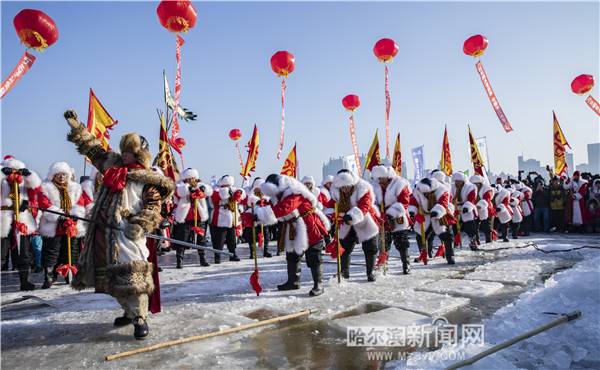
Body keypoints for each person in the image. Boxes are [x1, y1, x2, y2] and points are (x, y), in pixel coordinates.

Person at [64, 109, 174, 339]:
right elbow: (94, 151)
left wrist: (140, 224)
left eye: (130, 152)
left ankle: (140, 317)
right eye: (123, 151)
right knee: (110, 277)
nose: (124, 155)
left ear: (140, 154)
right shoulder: (113, 168)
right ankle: (128, 311)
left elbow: (153, 206)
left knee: (133, 276)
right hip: (105, 234)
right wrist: (78, 129)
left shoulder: (146, 180)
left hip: (129, 234)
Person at [255, 174, 330, 296]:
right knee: (292, 255)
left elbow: (285, 208)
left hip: (309, 224)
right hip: (293, 225)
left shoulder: (295, 192)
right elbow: (273, 207)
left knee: (314, 255)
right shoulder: (277, 195)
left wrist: (260, 215)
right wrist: (257, 211)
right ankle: (293, 281)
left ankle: (319, 284)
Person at [37, 162, 92, 288]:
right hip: (53, 226)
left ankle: (70, 274)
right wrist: (61, 215)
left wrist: (74, 215)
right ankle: (50, 276)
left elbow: (81, 202)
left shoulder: (76, 188)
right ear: (53, 175)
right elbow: (44, 204)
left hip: (71, 226)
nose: (62, 177)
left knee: (71, 252)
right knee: (51, 252)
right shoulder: (46, 188)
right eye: (58, 174)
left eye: (64, 175)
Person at [330, 169, 380, 281]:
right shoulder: (335, 191)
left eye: (347, 186)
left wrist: (352, 216)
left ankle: (371, 271)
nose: (345, 189)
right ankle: (344, 272)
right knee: (344, 248)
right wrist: (330, 216)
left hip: (365, 219)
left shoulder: (363, 188)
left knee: (370, 247)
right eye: (342, 187)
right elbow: (331, 205)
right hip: (346, 223)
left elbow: (365, 205)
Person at [0, 157, 42, 290]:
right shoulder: (3, 181)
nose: (15, 173)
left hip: (22, 218)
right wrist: (2, 173)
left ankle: (25, 281)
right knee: (1, 253)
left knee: (24, 252)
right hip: (4, 217)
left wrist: (29, 175)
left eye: (17, 171)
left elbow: (36, 189)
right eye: (12, 170)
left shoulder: (25, 182)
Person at [370, 165, 412, 274]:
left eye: (382, 177)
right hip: (381, 219)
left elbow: (404, 203)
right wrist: (376, 213)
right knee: (383, 243)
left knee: (401, 243)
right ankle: (383, 264)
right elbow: (371, 202)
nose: (380, 180)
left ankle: (406, 263)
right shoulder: (374, 186)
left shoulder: (399, 184)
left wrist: (390, 214)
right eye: (378, 178)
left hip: (398, 218)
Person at [408, 177, 456, 264]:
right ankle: (423, 254)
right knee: (420, 236)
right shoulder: (417, 191)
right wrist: (412, 211)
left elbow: (443, 203)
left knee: (447, 236)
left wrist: (437, 211)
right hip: (425, 215)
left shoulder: (442, 190)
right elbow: (413, 201)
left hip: (441, 214)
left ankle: (450, 255)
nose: (425, 194)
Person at [173, 168, 213, 268]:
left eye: (194, 178)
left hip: (199, 217)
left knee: (201, 239)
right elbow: (178, 192)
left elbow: (209, 191)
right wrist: (188, 189)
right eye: (190, 178)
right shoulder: (181, 186)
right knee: (182, 239)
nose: (192, 180)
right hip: (185, 217)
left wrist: (202, 189)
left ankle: (202, 259)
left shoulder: (200, 185)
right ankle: (179, 260)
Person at [210, 175, 245, 263]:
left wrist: (239, 192)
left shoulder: (234, 189)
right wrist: (230, 192)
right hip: (221, 217)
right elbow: (216, 197)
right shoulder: (216, 190)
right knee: (219, 239)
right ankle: (217, 256)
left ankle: (232, 254)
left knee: (232, 239)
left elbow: (243, 196)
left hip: (232, 217)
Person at [241, 178, 272, 258]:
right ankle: (253, 252)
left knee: (266, 236)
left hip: (263, 219)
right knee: (251, 237)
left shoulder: (266, 196)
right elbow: (245, 201)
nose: (259, 190)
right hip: (252, 219)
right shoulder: (250, 196)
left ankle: (266, 251)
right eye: (258, 188)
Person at [451, 172, 479, 250]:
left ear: (463, 181)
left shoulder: (470, 187)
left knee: (470, 227)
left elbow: (471, 199)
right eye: (456, 181)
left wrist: (467, 207)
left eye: (459, 181)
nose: (457, 183)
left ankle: (473, 242)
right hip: (455, 208)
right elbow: (450, 197)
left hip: (467, 209)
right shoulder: (452, 187)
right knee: (455, 227)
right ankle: (456, 243)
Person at [471, 175, 496, 244]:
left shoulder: (487, 189)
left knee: (487, 228)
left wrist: (479, 205)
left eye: (477, 183)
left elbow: (487, 199)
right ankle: (476, 241)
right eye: (474, 184)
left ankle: (489, 242)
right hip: (475, 210)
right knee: (474, 227)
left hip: (487, 210)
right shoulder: (471, 189)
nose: (476, 185)